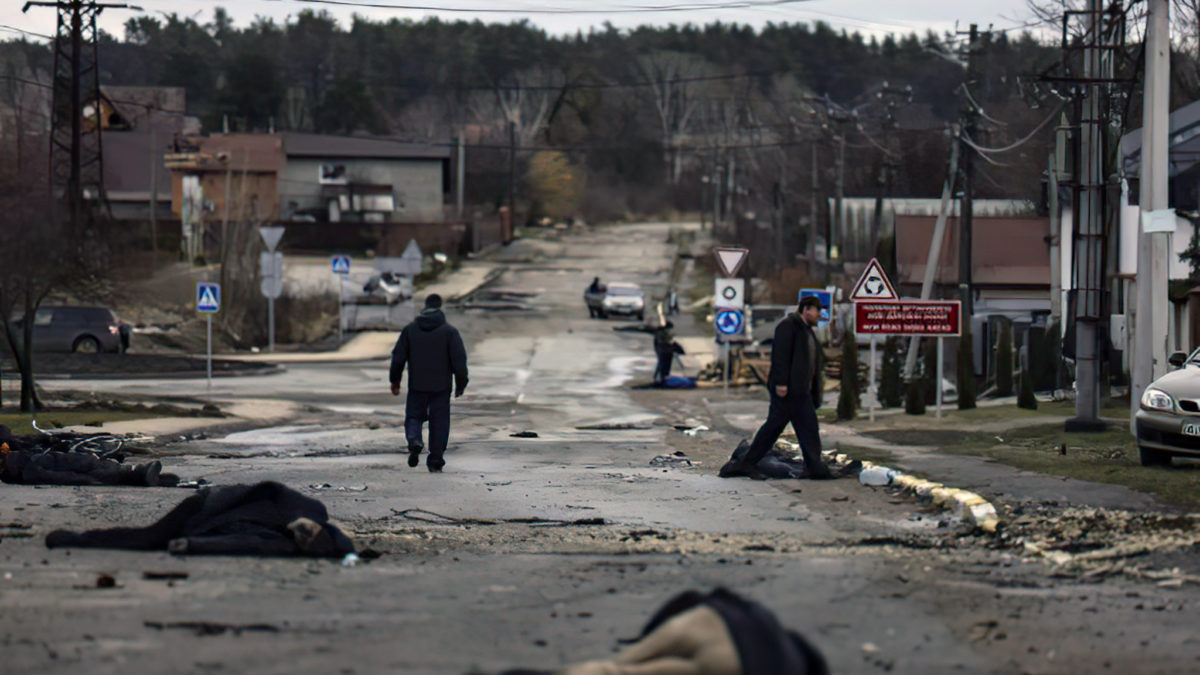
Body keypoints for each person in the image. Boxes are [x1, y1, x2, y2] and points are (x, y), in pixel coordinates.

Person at [721, 295, 831, 480]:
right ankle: (745, 464)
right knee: (773, 429)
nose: (819, 315)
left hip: (801, 391)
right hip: (788, 391)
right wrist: (781, 383)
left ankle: (814, 468)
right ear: (807, 310)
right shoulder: (788, 327)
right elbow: (780, 356)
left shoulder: (806, 330)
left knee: (808, 428)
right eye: (817, 311)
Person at [389, 294, 468, 472]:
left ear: (424, 307)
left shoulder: (410, 330)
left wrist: (395, 380)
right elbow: (459, 360)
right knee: (439, 422)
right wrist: (461, 383)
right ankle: (435, 459)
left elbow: (398, 357)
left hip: (417, 385)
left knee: (413, 417)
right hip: (441, 387)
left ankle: (414, 440)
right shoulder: (449, 332)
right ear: (440, 307)